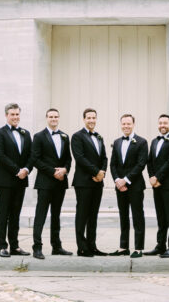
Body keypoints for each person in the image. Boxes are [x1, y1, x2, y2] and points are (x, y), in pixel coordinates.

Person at [30, 107, 72, 259]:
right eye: (51, 117)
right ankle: (37, 247)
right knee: (40, 215)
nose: (53, 119)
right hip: (45, 182)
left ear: (58, 118)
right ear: (46, 118)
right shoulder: (39, 136)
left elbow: (69, 158)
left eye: (56, 117)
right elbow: (35, 159)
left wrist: (65, 170)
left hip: (60, 182)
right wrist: (53, 172)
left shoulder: (65, 136)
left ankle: (56, 246)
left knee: (56, 215)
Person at [0, 102, 32, 258]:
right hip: (4, 180)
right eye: (12, 114)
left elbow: (31, 155)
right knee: (3, 214)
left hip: (21, 180)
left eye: (17, 114)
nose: (15, 117)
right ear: (6, 116)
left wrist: (26, 169)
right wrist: (17, 170)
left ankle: (14, 246)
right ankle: (2, 246)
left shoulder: (25, 133)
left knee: (16, 214)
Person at [109, 113, 148, 258]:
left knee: (138, 216)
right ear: (121, 125)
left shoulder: (142, 142)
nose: (126, 126)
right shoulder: (117, 142)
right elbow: (113, 164)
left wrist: (126, 180)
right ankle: (123, 246)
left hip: (135, 185)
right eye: (123, 124)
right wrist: (117, 180)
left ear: (133, 124)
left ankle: (138, 248)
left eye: (128, 124)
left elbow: (141, 164)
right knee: (123, 216)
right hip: (120, 186)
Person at [71, 107, 108, 257]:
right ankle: (81, 247)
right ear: (84, 119)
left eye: (94, 118)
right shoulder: (77, 136)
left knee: (93, 215)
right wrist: (95, 172)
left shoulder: (99, 137)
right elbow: (79, 158)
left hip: (98, 182)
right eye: (89, 118)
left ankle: (92, 246)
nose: (91, 120)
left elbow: (104, 157)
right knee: (82, 215)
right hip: (83, 182)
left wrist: (102, 173)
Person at [145, 113, 169, 257]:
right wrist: (151, 177)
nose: (162, 125)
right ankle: (160, 245)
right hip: (157, 185)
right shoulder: (154, 141)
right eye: (160, 123)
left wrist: (158, 177)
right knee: (161, 217)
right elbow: (150, 161)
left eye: (165, 123)